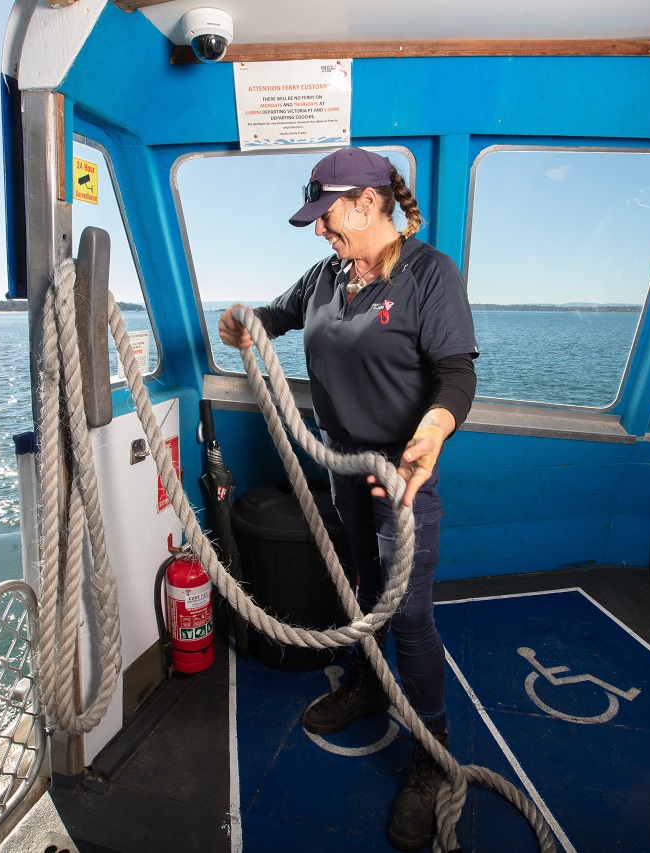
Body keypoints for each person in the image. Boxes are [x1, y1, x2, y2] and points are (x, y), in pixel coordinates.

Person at [218, 147, 477, 851]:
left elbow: (456, 375)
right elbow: (280, 311)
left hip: (401, 476)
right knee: (362, 588)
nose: (318, 232)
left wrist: (432, 431)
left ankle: (431, 754)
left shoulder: (430, 275)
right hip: (343, 469)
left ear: (368, 203)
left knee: (411, 612)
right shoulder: (328, 273)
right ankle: (366, 683)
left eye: (326, 216)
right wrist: (247, 323)